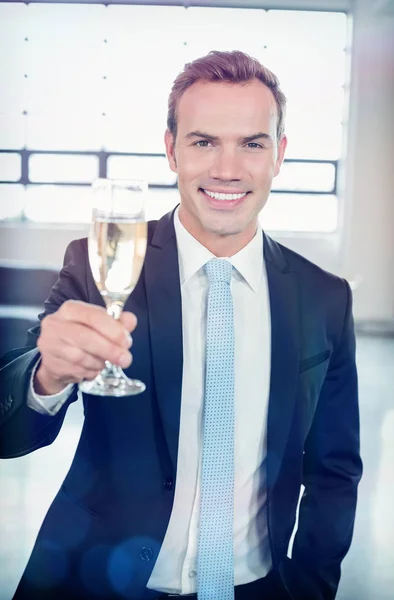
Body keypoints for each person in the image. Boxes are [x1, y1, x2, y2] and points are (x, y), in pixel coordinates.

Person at [0, 50, 362, 600]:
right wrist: (46, 378)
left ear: (279, 155)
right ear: (171, 150)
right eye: (203, 141)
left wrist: (311, 584)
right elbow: (10, 434)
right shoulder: (98, 263)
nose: (226, 169)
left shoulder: (325, 298)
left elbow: (334, 470)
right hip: (95, 583)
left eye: (252, 144)